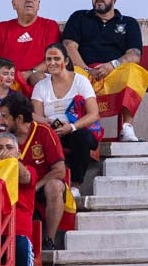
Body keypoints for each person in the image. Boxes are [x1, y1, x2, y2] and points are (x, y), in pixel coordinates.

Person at [61, 0, 148, 142]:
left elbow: (134, 54)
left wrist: (112, 65)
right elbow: (69, 46)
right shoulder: (79, 18)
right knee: (71, 74)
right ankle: (76, 126)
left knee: (134, 70)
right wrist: (87, 70)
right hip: (84, 71)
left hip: (113, 73)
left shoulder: (129, 23)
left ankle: (127, 128)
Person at [1, 91, 68, 250]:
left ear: (19, 119)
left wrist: (35, 186)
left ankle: (49, 241)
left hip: (39, 188)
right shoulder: (3, 138)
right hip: (15, 190)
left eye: (4, 117)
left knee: (55, 186)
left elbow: (60, 171)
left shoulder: (44, 132)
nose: (0, 121)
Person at [31, 42, 101, 191]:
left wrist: (71, 127)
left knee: (81, 137)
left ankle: (76, 185)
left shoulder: (81, 81)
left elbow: (94, 113)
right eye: (48, 59)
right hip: (51, 130)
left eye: (57, 58)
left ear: (66, 61)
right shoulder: (41, 86)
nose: (52, 63)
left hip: (76, 129)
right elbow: (37, 116)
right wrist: (47, 122)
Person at [0, 0, 61, 93]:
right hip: (8, 77)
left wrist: (30, 72)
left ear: (38, 4)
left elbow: (53, 58)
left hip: (35, 74)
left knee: (39, 79)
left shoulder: (49, 26)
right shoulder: (1, 28)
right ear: (14, 4)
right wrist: (8, 75)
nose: (29, 0)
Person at [0, 132, 38, 266]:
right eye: (0, 148)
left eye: (10, 148)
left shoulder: (29, 170)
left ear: (19, 155)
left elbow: (25, 178)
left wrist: (10, 163)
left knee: (21, 245)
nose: (5, 151)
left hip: (18, 235)